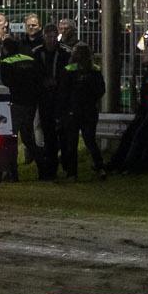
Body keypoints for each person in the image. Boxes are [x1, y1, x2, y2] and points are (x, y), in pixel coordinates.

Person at [55, 43, 104, 180]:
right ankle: (100, 167)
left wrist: (60, 112)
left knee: (71, 143)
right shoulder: (95, 70)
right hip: (90, 110)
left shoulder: (68, 70)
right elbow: (101, 90)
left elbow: (63, 93)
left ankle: (72, 173)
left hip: (73, 111)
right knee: (90, 140)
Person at [29, 23, 70, 181]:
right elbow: (34, 74)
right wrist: (43, 83)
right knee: (49, 135)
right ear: (44, 36)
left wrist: (58, 83)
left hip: (60, 98)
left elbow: (68, 72)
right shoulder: (37, 53)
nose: (52, 40)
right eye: (49, 36)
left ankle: (66, 166)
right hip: (45, 98)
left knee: (63, 134)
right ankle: (51, 169)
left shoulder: (65, 52)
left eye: (54, 36)